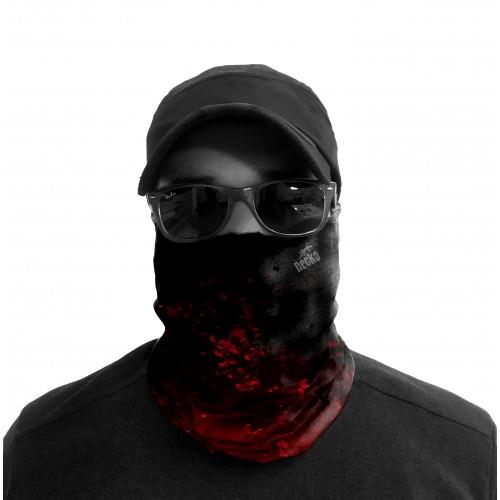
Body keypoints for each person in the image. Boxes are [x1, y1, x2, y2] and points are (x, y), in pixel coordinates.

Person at [3, 64, 496, 499]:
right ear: (156, 220)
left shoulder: (464, 454)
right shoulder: (43, 453)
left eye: (288, 200)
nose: (242, 235)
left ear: (333, 213)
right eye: (196, 203)